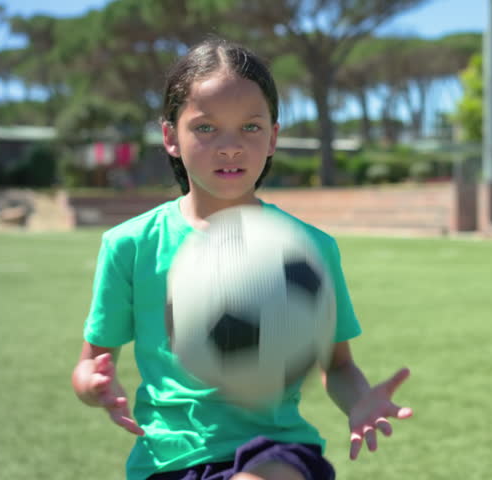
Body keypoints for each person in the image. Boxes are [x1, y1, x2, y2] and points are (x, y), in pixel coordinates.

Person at [70, 36, 412, 480]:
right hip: (165, 461)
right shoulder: (130, 245)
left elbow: (338, 364)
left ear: (272, 137)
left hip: (276, 451)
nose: (230, 146)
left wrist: (359, 399)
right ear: (171, 137)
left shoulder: (308, 249)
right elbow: (90, 360)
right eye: (206, 128)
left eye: (249, 127)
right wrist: (93, 385)